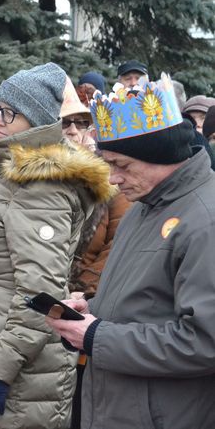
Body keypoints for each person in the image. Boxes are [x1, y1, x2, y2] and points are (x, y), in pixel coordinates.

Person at [0, 63, 113, 429]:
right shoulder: (6, 174)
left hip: (16, 380)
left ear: (39, 123)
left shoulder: (39, 187)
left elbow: (40, 293)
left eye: (9, 113)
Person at [46, 73, 215, 429]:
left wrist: (95, 336)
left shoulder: (205, 220)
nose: (112, 179)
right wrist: (91, 311)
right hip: (118, 406)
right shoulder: (143, 205)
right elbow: (148, 302)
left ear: (163, 156)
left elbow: (204, 341)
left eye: (121, 165)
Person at [60, 78, 131, 429]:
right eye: (66, 123)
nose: (74, 130)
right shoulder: (44, 177)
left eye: (82, 122)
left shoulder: (114, 179)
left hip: (84, 310)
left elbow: (116, 243)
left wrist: (83, 290)